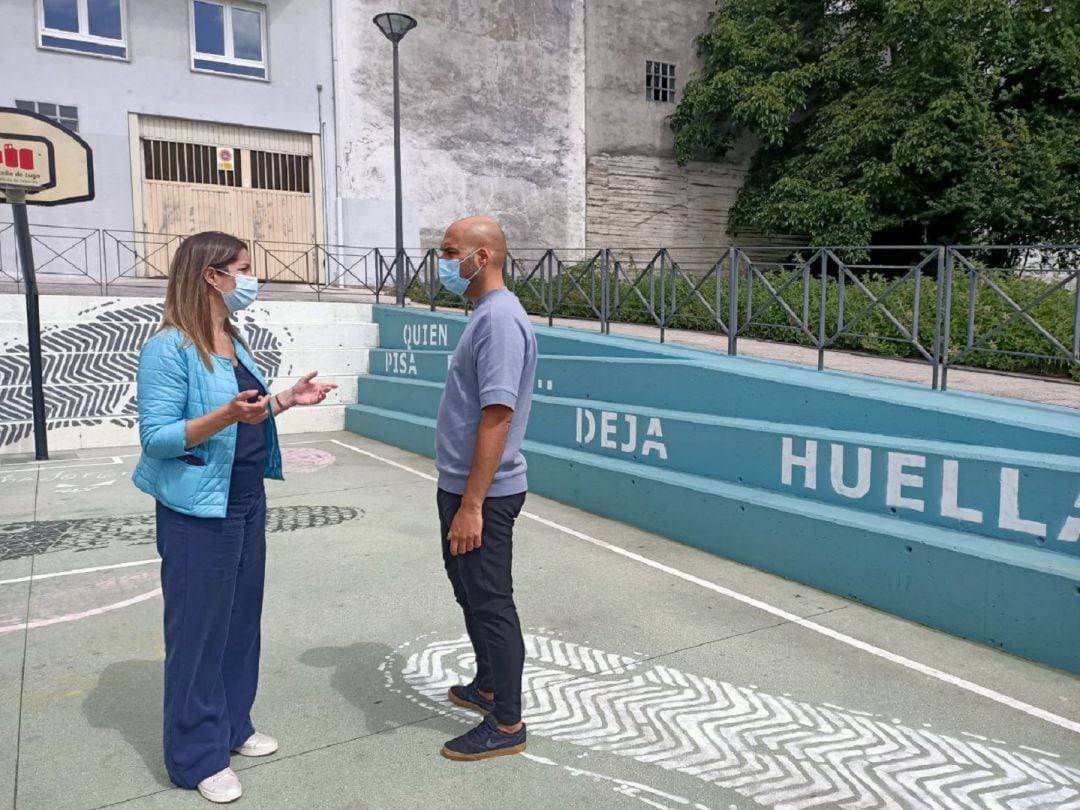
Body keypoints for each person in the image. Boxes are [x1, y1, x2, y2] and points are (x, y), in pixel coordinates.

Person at [133, 231, 336, 803]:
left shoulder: (233, 339)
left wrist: (285, 401)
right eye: (242, 268)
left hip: (245, 500)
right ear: (210, 276)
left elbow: (247, 412)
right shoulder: (169, 348)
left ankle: (232, 726)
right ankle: (196, 756)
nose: (252, 279)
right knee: (198, 634)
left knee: (240, 624)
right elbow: (158, 439)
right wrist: (224, 416)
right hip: (198, 511)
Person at [434, 215, 538, 761]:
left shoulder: (499, 320)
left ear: (483, 256)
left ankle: (507, 723)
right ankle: (489, 685)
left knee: (492, 601)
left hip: (484, 495)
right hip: (463, 487)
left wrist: (472, 504)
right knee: (470, 591)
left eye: (451, 253)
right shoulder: (484, 315)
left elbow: (497, 416)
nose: (444, 262)